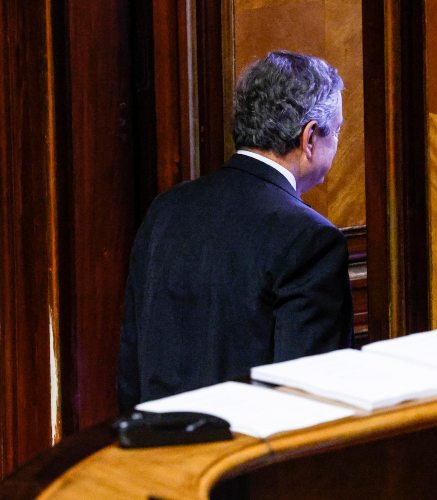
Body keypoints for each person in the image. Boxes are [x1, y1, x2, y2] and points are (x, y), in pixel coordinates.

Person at [117, 51, 353, 411]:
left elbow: (132, 371)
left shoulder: (167, 210)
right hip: (247, 459)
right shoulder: (310, 240)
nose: (336, 144)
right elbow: (309, 403)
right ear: (309, 139)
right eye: (336, 132)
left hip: (157, 455)